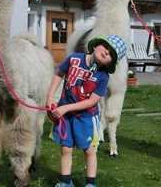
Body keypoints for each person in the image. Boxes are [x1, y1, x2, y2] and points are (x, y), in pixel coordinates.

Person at [46, 35, 127, 187]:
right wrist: (50, 97)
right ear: (96, 45)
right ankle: (66, 182)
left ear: (111, 62)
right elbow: (58, 75)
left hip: (86, 118)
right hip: (66, 117)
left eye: (110, 54)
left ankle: (90, 183)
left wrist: (65, 108)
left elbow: (91, 101)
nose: (105, 52)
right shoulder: (74, 59)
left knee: (89, 151)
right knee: (66, 149)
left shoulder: (103, 77)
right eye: (105, 47)